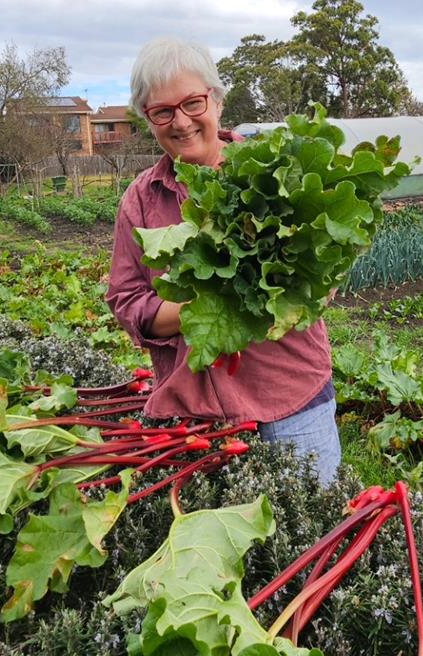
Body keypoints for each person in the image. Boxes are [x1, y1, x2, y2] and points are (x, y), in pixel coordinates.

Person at [107, 37, 341, 485]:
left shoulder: (273, 171)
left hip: (291, 399)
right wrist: (204, 311)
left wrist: (270, 292)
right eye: (162, 111)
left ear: (216, 100)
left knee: (313, 535)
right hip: (196, 413)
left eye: (193, 102)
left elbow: (323, 275)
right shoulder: (139, 200)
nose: (181, 122)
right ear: (147, 120)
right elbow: (126, 298)